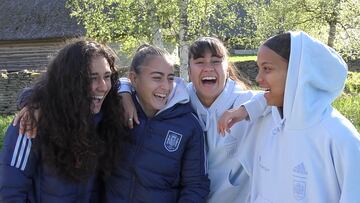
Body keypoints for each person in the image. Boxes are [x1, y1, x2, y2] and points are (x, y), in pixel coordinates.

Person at [218, 31, 360, 202]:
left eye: (267, 69)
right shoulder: (269, 122)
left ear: (298, 73)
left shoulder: (339, 136)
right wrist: (245, 109)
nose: (258, 78)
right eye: (259, 68)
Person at [120, 37, 259, 202]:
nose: (208, 68)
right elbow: (133, 79)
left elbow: (284, 96)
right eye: (200, 62)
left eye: (216, 61)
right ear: (189, 70)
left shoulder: (248, 102)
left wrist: (246, 110)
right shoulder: (178, 99)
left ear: (227, 69)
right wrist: (124, 91)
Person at [0, 39, 129, 202]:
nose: (103, 86)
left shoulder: (106, 120)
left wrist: (127, 92)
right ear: (69, 81)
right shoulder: (30, 123)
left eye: (107, 76)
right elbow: (11, 192)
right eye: (92, 78)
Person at [104, 44, 210, 202]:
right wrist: (123, 91)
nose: (166, 87)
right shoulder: (116, 109)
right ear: (134, 78)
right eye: (156, 77)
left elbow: (195, 186)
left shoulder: (188, 125)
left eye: (170, 78)